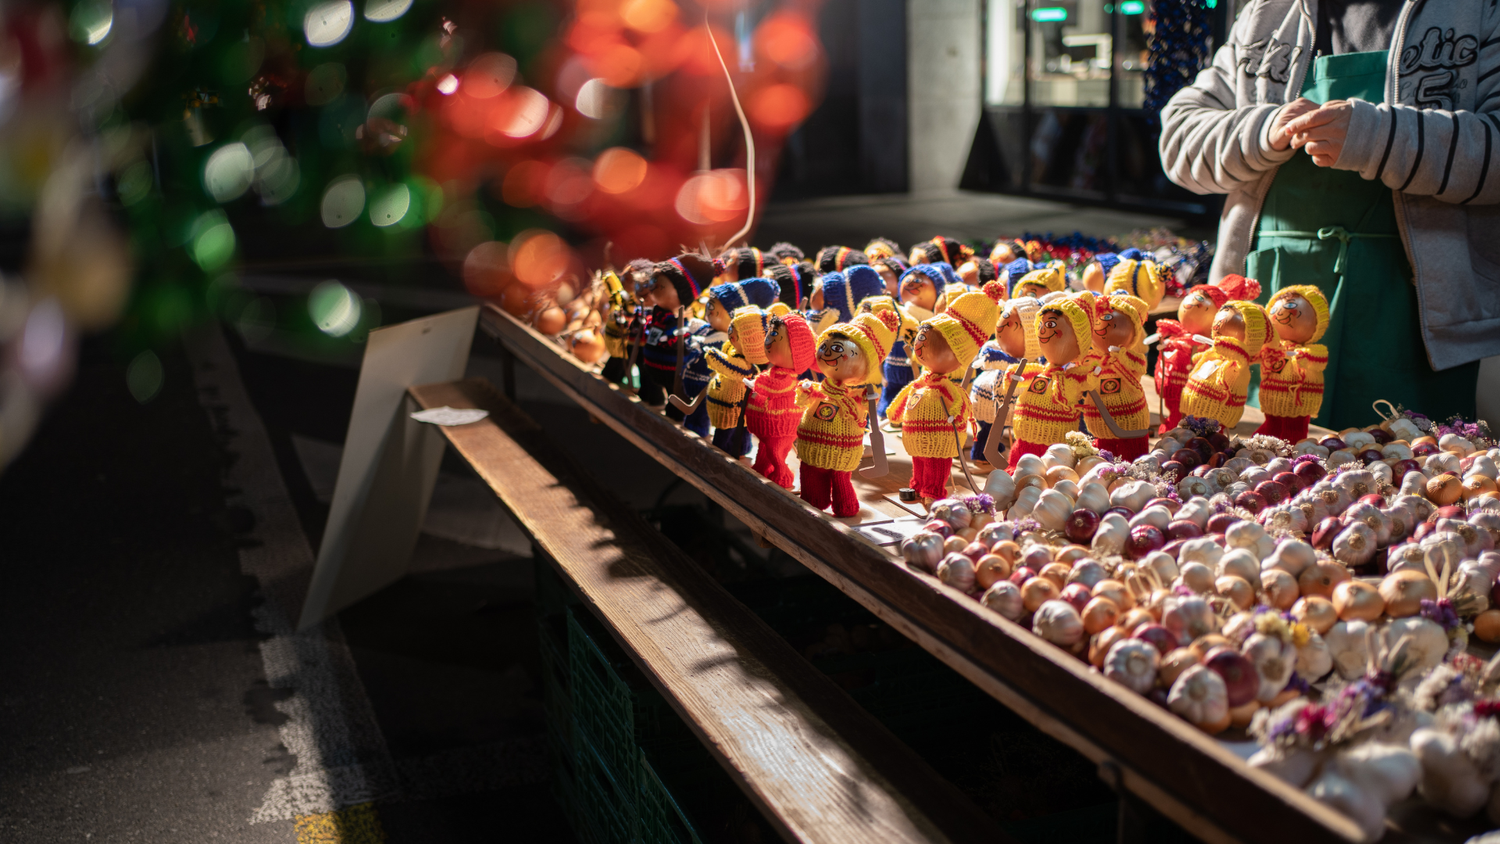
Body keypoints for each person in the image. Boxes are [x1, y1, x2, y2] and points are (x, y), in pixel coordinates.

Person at [1160, 0, 1498, 429]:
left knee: (1404, 462)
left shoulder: (1479, 9)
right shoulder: (1268, 13)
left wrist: (1378, 137)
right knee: (1253, 460)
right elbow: (1178, 138)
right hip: (1259, 311)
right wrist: (1263, 129)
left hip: (1412, 318)